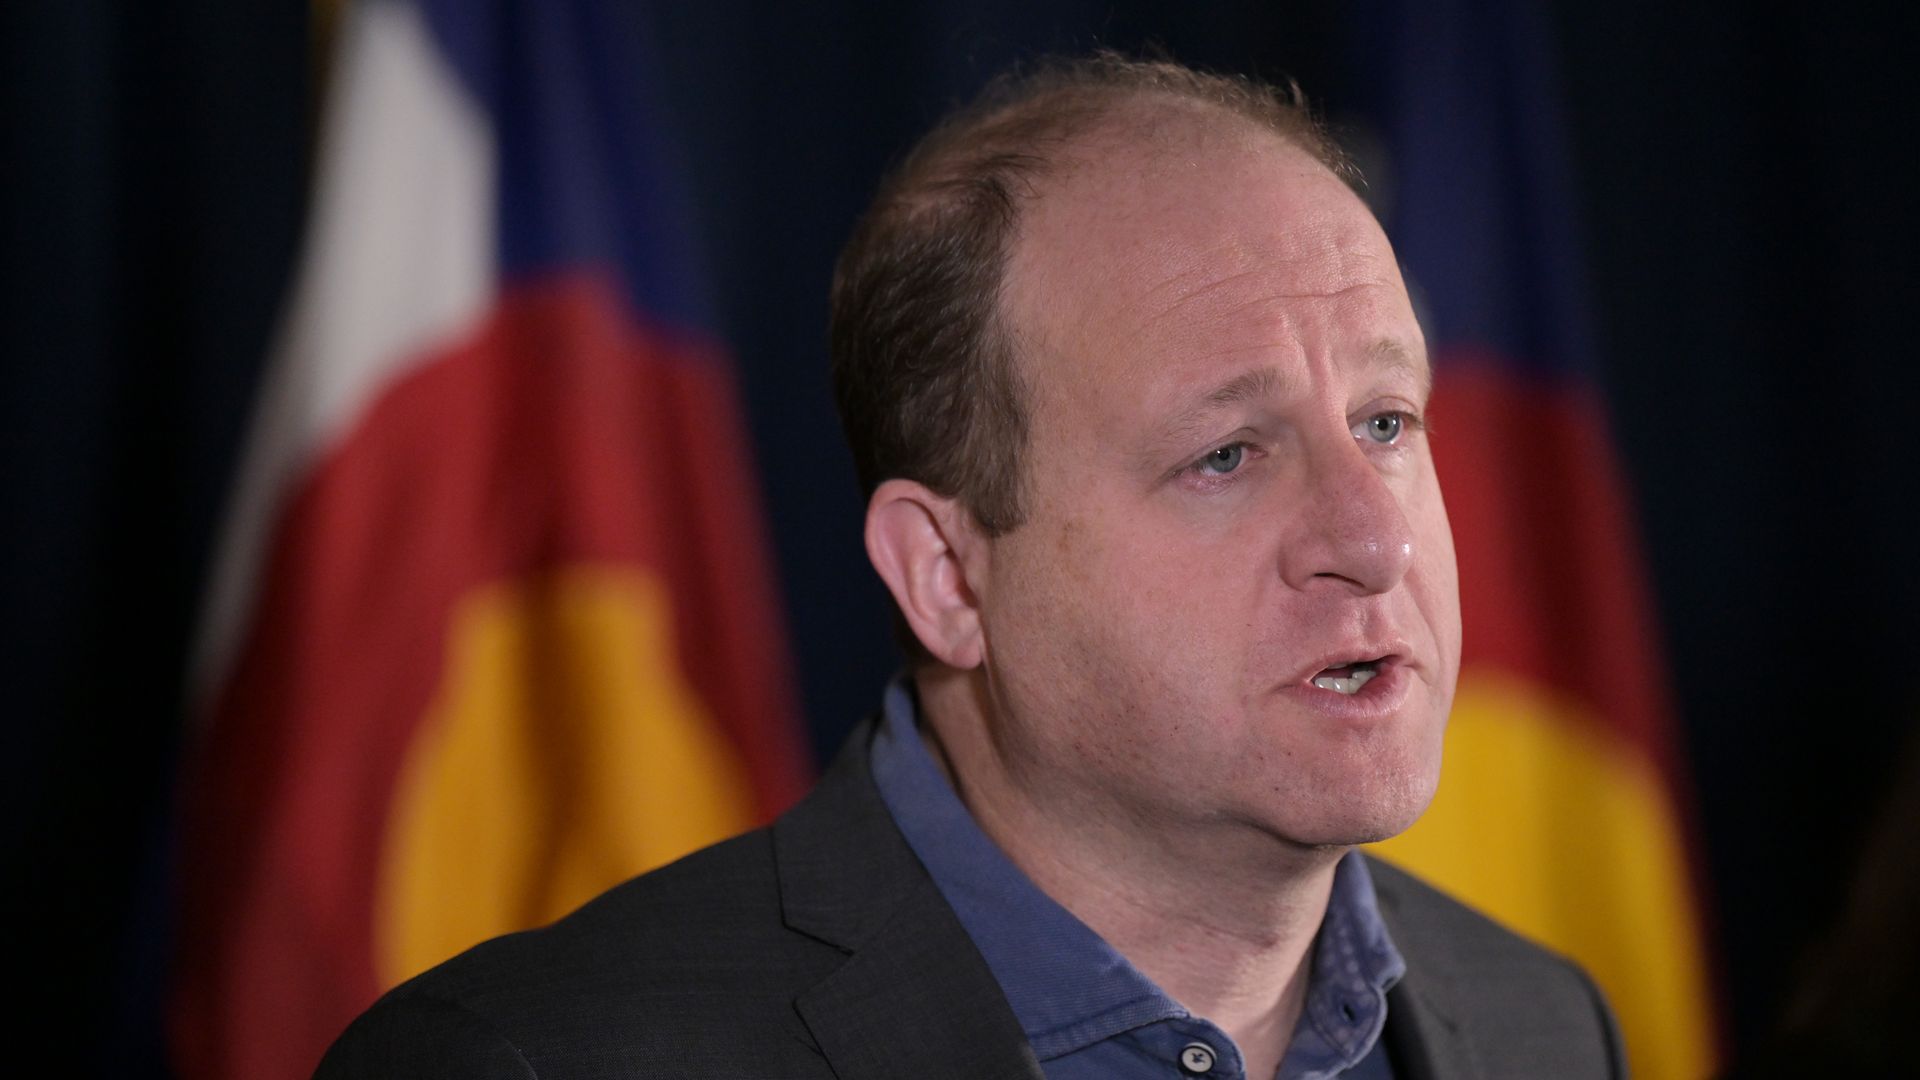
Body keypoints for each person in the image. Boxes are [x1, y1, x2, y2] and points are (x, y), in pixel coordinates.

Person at [319, 54, 1624, 1079]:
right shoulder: (537, 1063)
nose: (1378, 540)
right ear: (945, 575)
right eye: (1226, 455)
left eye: (1387, 423)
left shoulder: (1546, 1028)